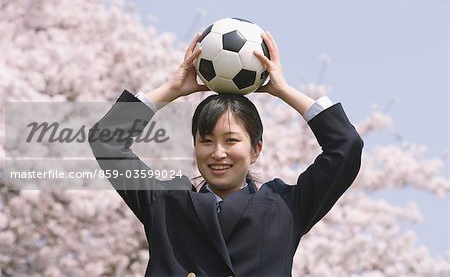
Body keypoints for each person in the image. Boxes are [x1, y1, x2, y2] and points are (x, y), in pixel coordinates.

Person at [89, 31, 363, 276]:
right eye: (206, 141)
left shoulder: (284, 207)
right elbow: (106, 140)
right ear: (194, 146)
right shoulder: (166, 204)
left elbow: (346, 146)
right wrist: (172, 90)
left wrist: (283, 90)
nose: (218, 153)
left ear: (256, 150)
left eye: (231, 141)